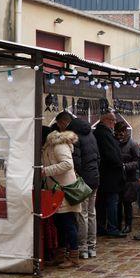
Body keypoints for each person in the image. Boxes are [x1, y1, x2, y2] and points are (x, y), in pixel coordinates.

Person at [55, 111, 100, 259]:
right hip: (94, 177)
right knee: (91, 213)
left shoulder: (73, 137)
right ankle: (92, 246)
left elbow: (76, 161)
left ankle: (82, 248)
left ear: (63, 123)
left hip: (83, 179)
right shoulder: (91, 134)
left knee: (82, 214)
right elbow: (97, 156)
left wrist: (77, 175)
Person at [42, 130, 81, 268]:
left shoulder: (58, 146)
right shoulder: (49, 147)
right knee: (59, 225)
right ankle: (60, 256)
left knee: (68, 224)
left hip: (66, 191)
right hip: (56, 192)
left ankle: (74, 257)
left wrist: (45, 171)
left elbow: (68, 164)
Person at [93, 111, 126, 237]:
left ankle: (101, 227)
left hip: (105, 174)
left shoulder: (101, 133)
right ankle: (112, 228)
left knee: (102, 203)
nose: (115, 123)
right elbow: (112, 156)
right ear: (107, 120)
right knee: (112, 202)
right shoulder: (104, 134)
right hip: (110, 175)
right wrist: (119, 164)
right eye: (113, 121)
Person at [114, 121, 139, 235]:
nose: (119, 136)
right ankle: (118, 225)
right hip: (118, 178)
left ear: (125, 132)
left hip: (129, 177)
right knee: (118, 202)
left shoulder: (132, 144)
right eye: (117, 133)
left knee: (127, 203)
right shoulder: (115, 142)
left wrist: (126, 166)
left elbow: (138, 161)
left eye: (120, 134)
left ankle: (128, 225)